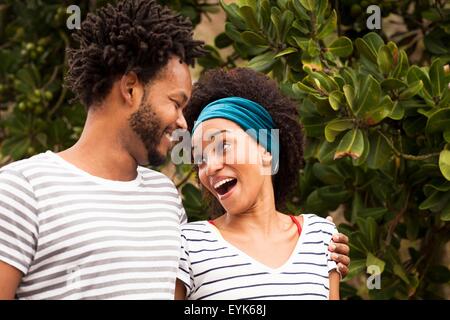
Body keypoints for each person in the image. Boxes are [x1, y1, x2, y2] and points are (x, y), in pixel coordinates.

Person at [0, 0, 349, 300]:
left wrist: (314, 258)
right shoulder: (22, 189)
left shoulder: (165, 199)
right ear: (132, 88)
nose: (183, 124)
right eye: (176, 102)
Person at [175, 68, 345, 300]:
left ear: (267, 151)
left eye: (222, 146)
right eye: (200, 159)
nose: (210, 167)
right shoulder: (187, 245)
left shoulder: (322, 238)